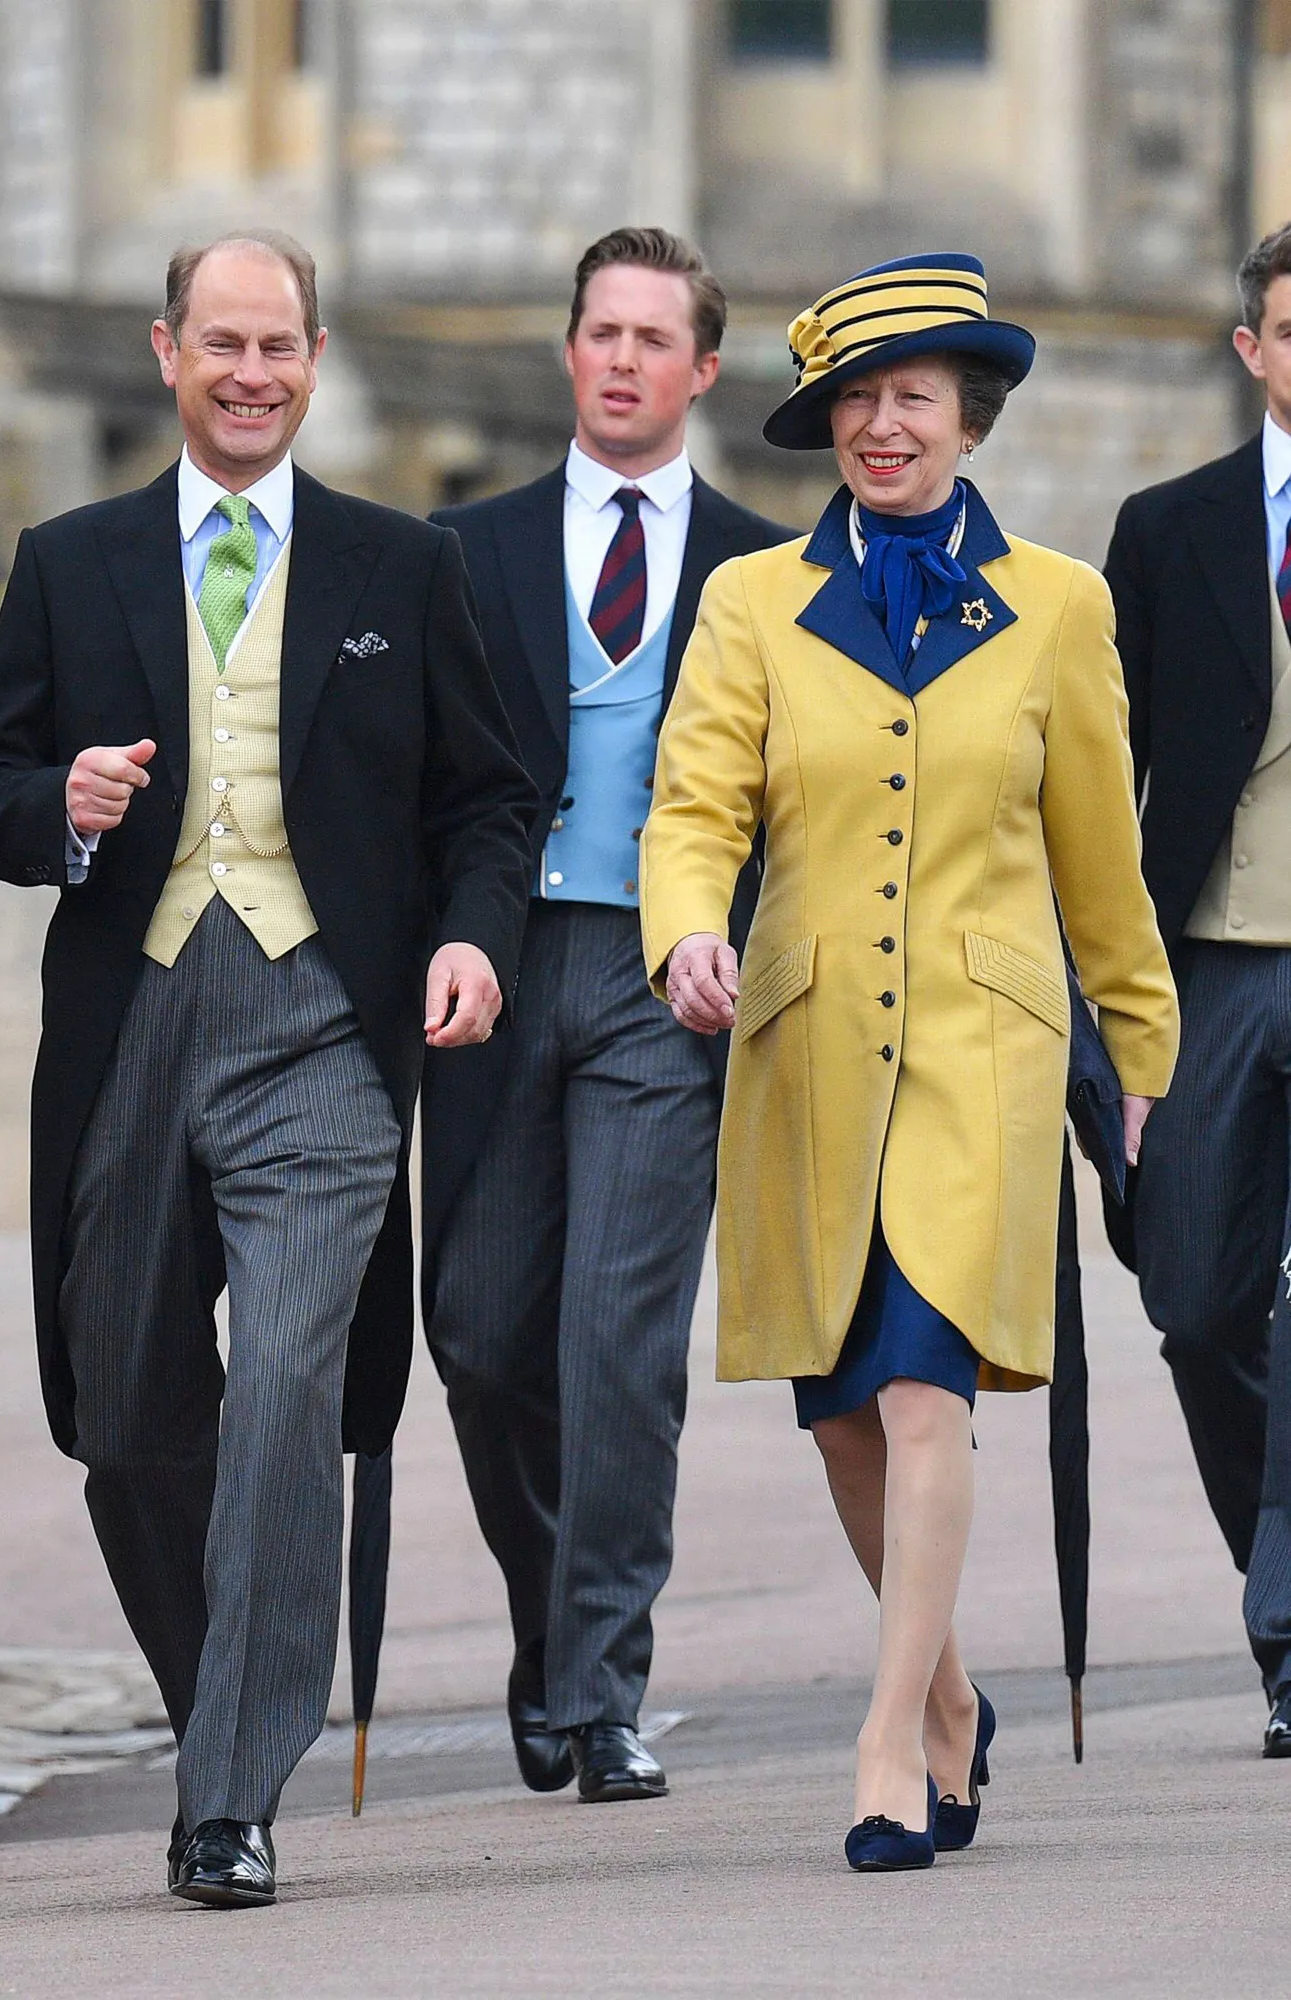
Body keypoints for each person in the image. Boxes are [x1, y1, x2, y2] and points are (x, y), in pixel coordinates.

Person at [0, 230, 534, 1905]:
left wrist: (471, 936)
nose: (253, 373)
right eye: (224, 344)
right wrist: (56, 805)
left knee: (284, 1384)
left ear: (317, 358)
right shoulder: (69, 560)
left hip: (323, 1030)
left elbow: (487, 802)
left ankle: (229, 1792)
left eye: (280, 345)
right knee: (127, 1412)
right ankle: (224, 1693)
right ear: (166, 353)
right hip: (134, 1022)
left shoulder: (399, 569)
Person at [640, 253, 1179, 1870]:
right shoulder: (747, 603)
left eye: (916, 400)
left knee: (928, 1388)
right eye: (858, 402)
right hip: (800, 1050)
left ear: (970, 417)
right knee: (843, 1418)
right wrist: (682, 932)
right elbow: (692, 809)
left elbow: (1100, 853)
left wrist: (1139, 1041)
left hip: (982, 1053)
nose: (885, 428)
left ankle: (883, 1744)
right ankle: (945, 1697)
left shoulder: (1061, 605)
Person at [421, 227, 789, 1803]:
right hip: (496, 974)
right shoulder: (459, 549)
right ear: (568, 354)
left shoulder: (769, 566)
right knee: (486, 1335)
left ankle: (602, 1687)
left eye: (657, 337)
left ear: (701, 369)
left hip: (666, 983)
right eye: (601, 333)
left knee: (617, 1345)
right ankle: (543, 1620)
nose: (625, 359)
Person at [1105, 220, 1291, 1755]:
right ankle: (1274, 1574)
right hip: (1209, 966)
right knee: (1200, 1310)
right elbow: (1108, 791)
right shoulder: (1167, 531)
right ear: (1251, 350)